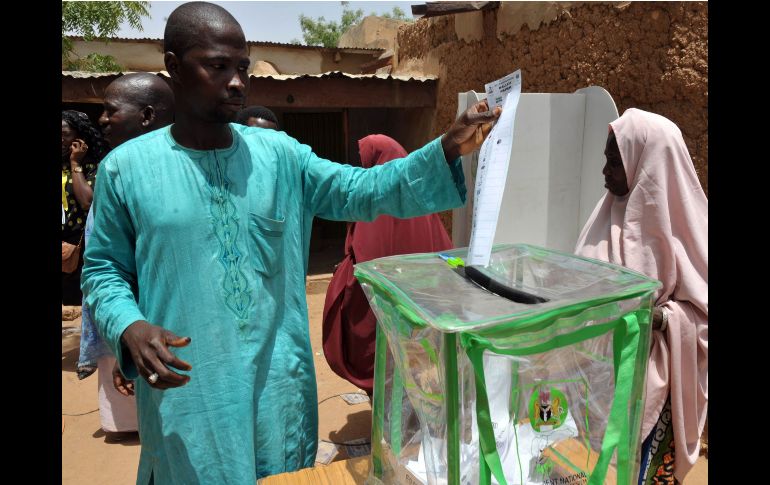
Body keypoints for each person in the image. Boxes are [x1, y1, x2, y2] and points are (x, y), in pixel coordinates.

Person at [80, 2, 500, 483]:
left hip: (277, 391)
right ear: (173, 67)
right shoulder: (126, 169)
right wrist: (128, 325)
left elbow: (359, 189)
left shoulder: (279, 154)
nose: (237, 82)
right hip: (190, 395)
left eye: (242, 67)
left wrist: (446, 147)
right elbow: (104, 270)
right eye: (217, 66)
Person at [574, 108, 707, 485]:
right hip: (604, 380)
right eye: (606, 159)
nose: (605, 171)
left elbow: (703, 315)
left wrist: (663, 319)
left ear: (647, 164)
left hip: (656, 383)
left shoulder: (691, 231)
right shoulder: (604, 217)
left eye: (615, 162)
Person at [77, 73, 176, 441]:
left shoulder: (171, 175)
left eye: (110, 111)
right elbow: (108, 266)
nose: (101, 120)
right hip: (130, 322)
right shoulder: (117, 169)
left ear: (147, 115)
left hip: (154, 325)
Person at [322, 134, 454, 397]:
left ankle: (392, 427)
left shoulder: (376, 202)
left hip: (385, 308)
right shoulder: (418, 197)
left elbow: (364, 253)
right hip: (421, 310)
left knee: (388, 372)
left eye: (364, 161)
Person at [62, 110, 108, 305]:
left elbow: (87, 202)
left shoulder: (95, 168)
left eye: (65, 134)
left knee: (73, 305)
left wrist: (75, 162)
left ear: (80, 139)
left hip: (78, 248)